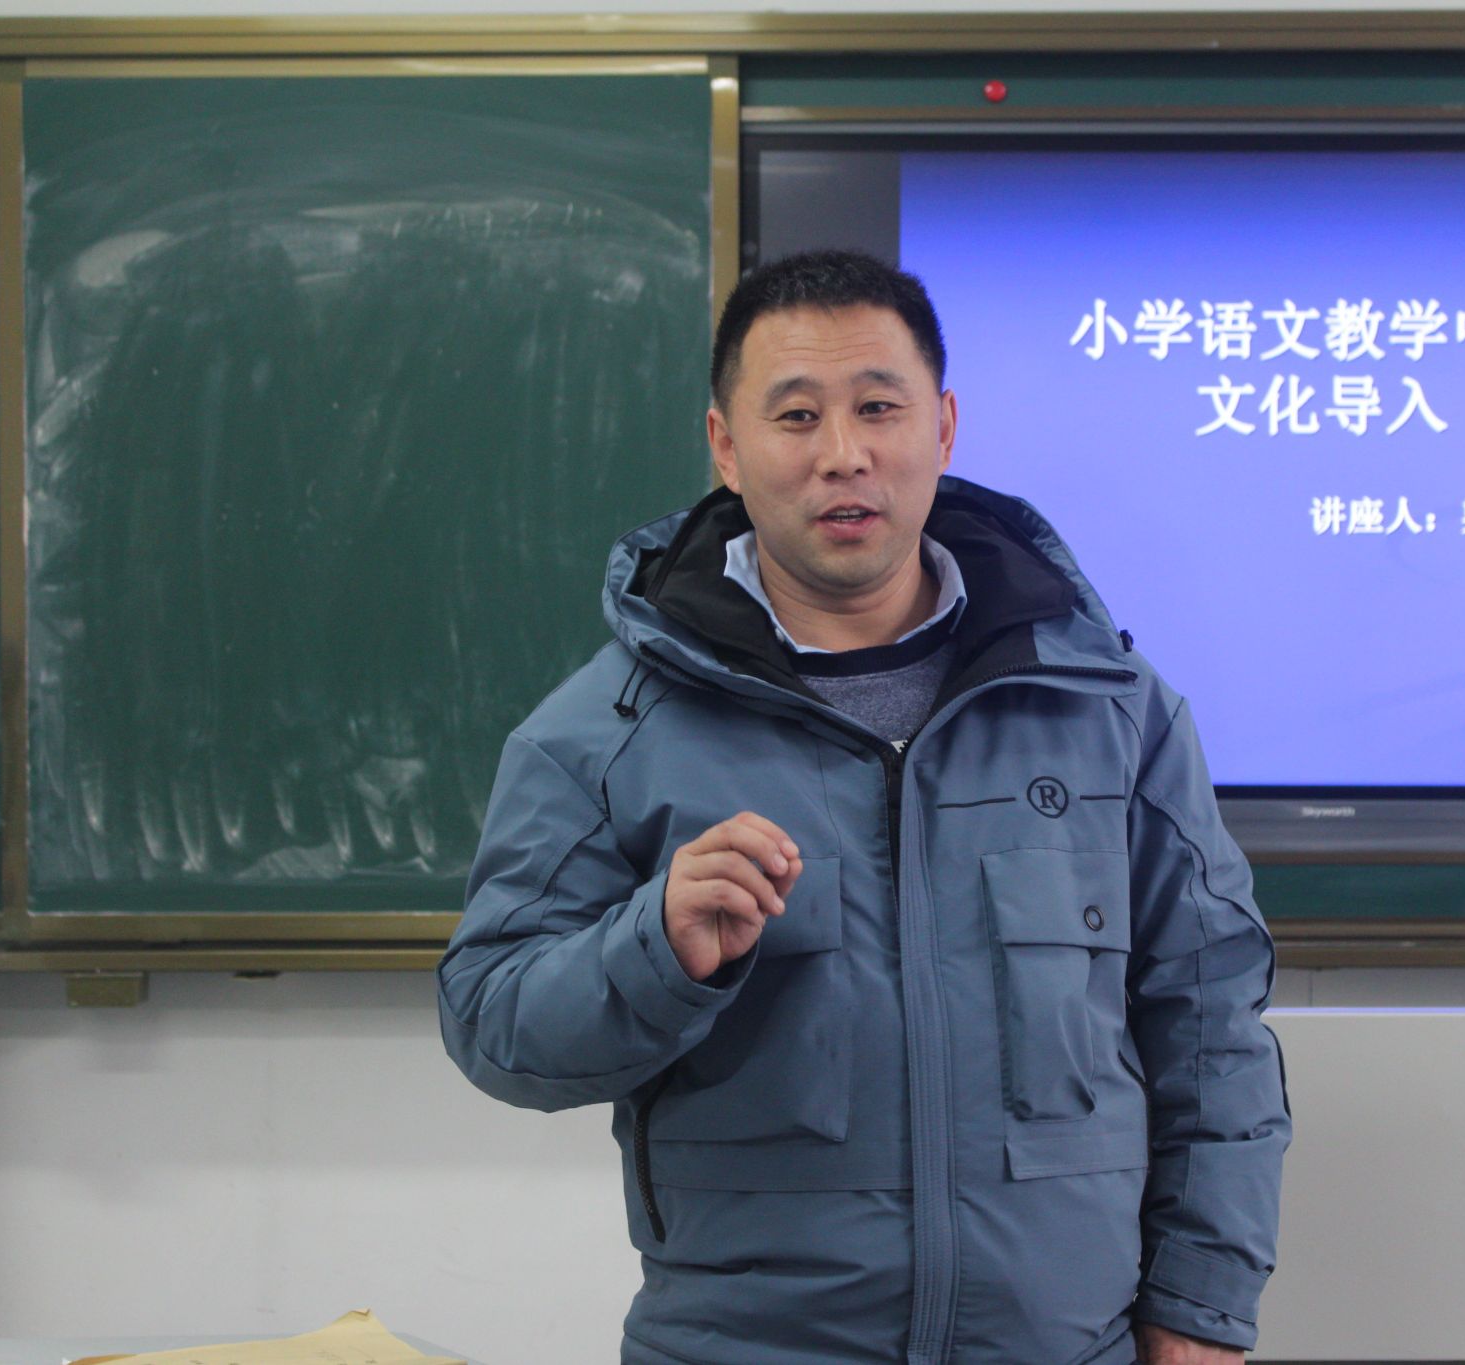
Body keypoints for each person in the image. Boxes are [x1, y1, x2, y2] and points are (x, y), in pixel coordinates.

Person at [438, 250, 1289, 1365]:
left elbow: (1210, 1021)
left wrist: (1199, 1305)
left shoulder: (1107, 709)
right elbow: (493, 1023)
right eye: (796, 416)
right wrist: (654, 951)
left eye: (878, 408)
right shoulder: (604, 731)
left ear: (943, 427)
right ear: (725, 447)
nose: (843, 453)